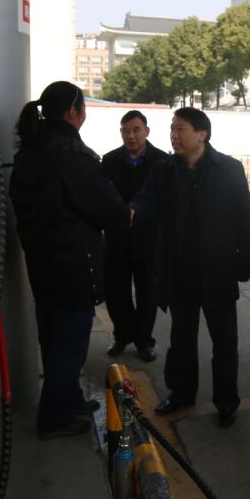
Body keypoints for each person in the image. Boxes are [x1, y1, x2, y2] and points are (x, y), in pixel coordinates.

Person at [9, 81, 128, 439]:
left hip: (43, 263)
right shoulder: (71, 154)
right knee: (70, 342)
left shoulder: (30, 151)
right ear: (74, 112)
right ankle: (55, 419)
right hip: (72, 265)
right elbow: (107, 208)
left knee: (53, 336)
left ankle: (70, 399)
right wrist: (123, 214)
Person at [130, 107, 250, 428]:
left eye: (181, 129)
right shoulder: (164, 170)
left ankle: (226, 401)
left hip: (218, 271)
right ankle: (181, 392)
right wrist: (131, 211)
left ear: (202, 134)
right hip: (180, 272)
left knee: (224, 342)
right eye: (172, 129)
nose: (174, 135)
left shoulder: (229, 169)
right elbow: (145, 200)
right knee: (181, 339)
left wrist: (245, 260)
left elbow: (244, 217)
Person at [101, 110, 168, 362]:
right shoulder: (109, 160)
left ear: (146, 131)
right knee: (116, 292)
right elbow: (103, 194)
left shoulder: (162, 161)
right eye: (125, 130)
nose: (131, 135)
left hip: (149, 240)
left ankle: (144, 341)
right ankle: (122, 335)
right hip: (116, 239)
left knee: (147, 293)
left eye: (136, 130)